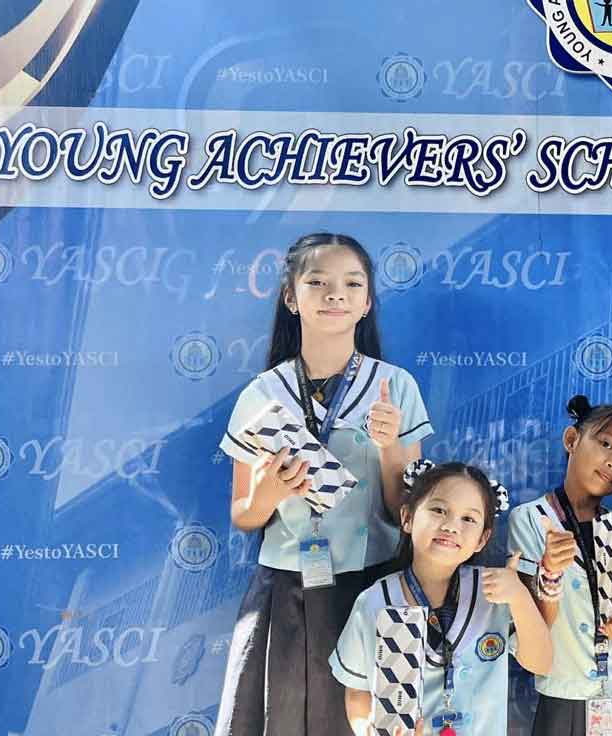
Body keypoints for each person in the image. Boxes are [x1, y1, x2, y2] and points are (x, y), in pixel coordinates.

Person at [214, 233, 432, 736]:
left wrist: (390, 448)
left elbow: (404, 513)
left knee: (370, 722)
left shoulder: (395, 386)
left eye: (352, 284)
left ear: (367, 302)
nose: (336, 294)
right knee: (281, 719)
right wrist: (268, 494)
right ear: (291, 297)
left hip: (373, 583)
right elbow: (243, 515)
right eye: (317, 282)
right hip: (287, 586)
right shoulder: (262, 394)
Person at [331, 461, 553, 735]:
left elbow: (541, 663)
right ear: (407, 518)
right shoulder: (374, 602)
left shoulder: (495, 591)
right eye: (438, 510)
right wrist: (368, 729)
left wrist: (519, 597)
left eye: (468, 519)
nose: (451, 526)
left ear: (482, 539)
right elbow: (357, 692)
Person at [510, 395, 612, 735]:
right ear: (571, 440)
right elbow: (528, 625)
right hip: (565, 694)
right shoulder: (531, 520)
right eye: (606, 444)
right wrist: (549, 572)